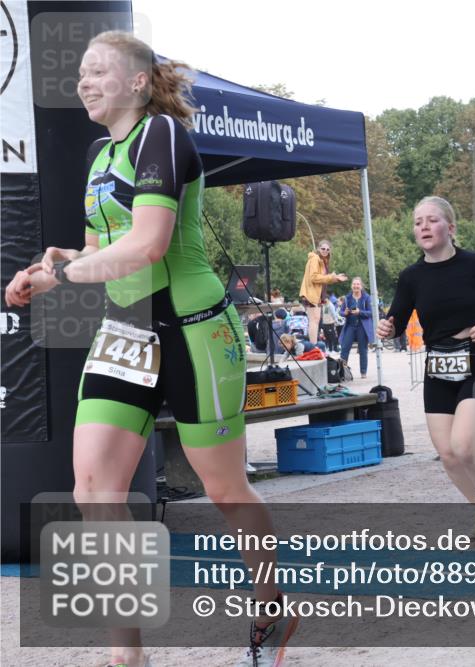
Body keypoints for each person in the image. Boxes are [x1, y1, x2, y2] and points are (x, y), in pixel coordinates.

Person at [3, 31, 294, 666]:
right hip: (125, 332)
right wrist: (56, 262)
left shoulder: (161, 135)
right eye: (79, 73)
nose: (83, 82)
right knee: (93, 491)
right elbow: (101, 252)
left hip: (194, 330)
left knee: (224, 489)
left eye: (97, 72)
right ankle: (126, 654)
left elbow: (149, 244)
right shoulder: (98, 152)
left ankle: (272, 601)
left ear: (136, 82)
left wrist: (66, 275)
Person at [376, 196, 475, 540]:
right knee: (449, 456)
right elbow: (398, 317)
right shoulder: (411, 276)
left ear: (450, 228)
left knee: (465, 446)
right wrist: (387, 328)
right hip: (437, 367)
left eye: (432, 220)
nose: (423, 226)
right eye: (417, 221)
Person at [297, 239, 348, 344]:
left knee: (316, 320)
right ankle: (313, 347)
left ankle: (314, 345)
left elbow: (323, 279)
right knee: (314, 321)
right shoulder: (315, 259)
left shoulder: (322, 261)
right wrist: (331, 277)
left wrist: (335, 278)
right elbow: (314, 278)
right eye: (323, 248)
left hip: (317, 294)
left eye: (327, 249)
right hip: (311, 294)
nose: (325, 251)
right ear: (318, 249)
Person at [339, 277, 374, 379]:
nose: (356, 286)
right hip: (350, 325)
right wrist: (344, 313)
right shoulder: (347, 298)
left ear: (361, 286)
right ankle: (342, 373)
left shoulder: (367, 298)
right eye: (354, 284)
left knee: (363, 350)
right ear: (351, 286)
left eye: (358, 284)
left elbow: (371, 313)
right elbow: (341, 312)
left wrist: (360, 312)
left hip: (362, 327)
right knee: (344, 348)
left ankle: (363, 372)